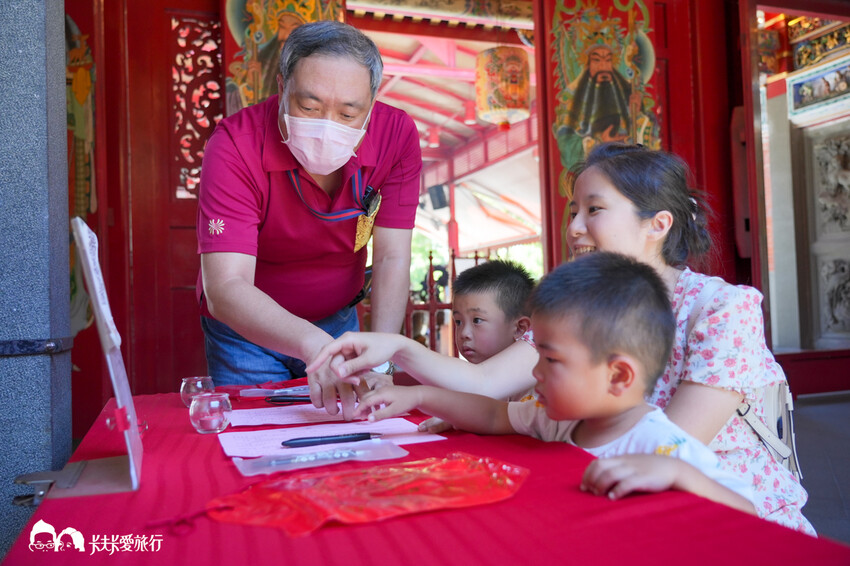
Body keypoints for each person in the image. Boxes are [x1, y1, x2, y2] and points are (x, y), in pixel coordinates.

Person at [308, 142, 815, 534]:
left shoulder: (723, 309)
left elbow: (670, 448)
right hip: (615, 491)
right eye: (573, 211)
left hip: (725, 513)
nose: (574, 228)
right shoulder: (577, 308)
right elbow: (487, 386)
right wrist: (397, 349)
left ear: (657, 224)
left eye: (593, 210)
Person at [353, 253, 756, 514]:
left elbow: (749, 511)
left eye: (551, 360)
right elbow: (493, 414)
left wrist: (679, 475)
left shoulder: (662, 445)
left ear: (617, 375)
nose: (536, 373)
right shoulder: (558, 419)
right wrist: (419, 395)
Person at [196, 21, 422, 419]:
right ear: (282, 88)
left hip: (338, 323)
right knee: (257, 436)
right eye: (309, 107)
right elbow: (226, 285)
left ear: (372, 104)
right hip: (245, 334)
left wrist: (382, 358)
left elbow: (391, 258)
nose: (327, 126)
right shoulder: (235, 145)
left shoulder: (396, 136)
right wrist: (311, 343)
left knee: (350, 440)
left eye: (349, 113)